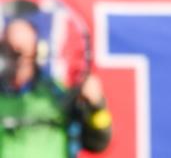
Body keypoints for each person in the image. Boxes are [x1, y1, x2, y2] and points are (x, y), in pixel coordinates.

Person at [0, 19, 111, 156]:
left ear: (37, 51)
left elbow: (97, 142)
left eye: (20, 52)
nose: (15, 60)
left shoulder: (56, 93)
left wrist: (96, 105)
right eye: (7, 50)